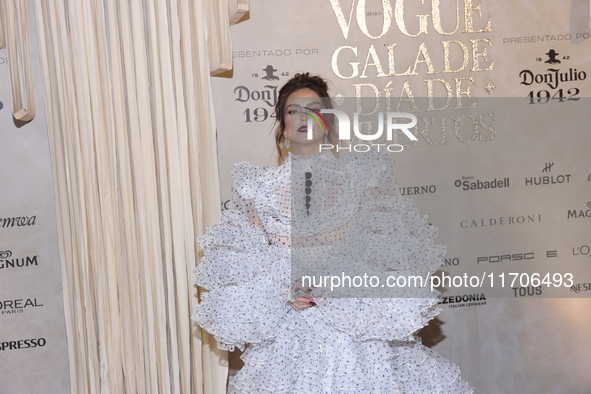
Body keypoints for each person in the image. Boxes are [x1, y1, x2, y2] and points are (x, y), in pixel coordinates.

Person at [192, 73, 473, 393]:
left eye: (314, 108)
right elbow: (249, 265)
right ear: (281, 124)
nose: (304, 117)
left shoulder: (364, 178)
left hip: (355, 332)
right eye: (294, 110)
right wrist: (285, 288)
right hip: (292, 337)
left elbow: (385, 253)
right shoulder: (258, 188)